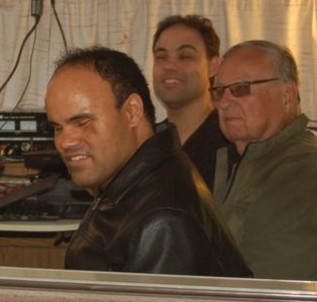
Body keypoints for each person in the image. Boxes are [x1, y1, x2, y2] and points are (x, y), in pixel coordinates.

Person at [44, 46, 251, 276]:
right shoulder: (133, 182)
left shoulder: (164, 222)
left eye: (83, 122)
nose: (64, 142)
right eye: (57, 128)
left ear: (132, 111)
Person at [211, 40, 317, 281]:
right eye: (218, 91)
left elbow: (270, 290)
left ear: (287, 96)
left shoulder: (303, 170)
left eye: (242, 88)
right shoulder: (247, 159)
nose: (224, 102)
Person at [151, 14, 230, 190]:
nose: (170, 66)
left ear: (213, 66)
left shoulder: (230, 141)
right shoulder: (147, 141)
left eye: (185, 56)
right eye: (161, 57)